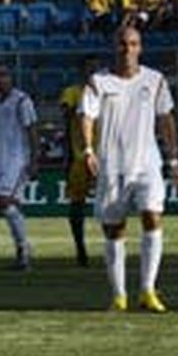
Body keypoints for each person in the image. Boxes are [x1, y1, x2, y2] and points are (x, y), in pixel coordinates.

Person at [79, 25, 178, 312]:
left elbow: (166, 120)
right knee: (115, 230)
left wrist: (174, 160)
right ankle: (119, 295)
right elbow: (86, 116)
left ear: (141, 47)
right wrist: (88, 149)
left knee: (153, 216)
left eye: (133, 44)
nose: (128, 49)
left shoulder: (155, 80)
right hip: (112, 166)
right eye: (123, 44)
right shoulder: (98, 82)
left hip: (147, 164)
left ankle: (148, 290)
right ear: (115, 47)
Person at [0, 66, 39, 269]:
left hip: (19, 159)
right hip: (1, 161)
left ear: (11, 78)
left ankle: (24, 247)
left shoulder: (22, 101)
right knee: (13, 205)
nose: (0, 80)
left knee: (3, 201)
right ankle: (23, 252)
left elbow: (32, 130)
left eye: (4, 75)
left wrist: (35, 159)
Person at [60, 56, 100, 265]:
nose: (92, 72)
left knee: (112, 204)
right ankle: (80, 248)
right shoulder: (72, 93)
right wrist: (67, 155)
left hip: (107, 156)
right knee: (77, 203)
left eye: (95, 68)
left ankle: (113, 246)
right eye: (89, 68)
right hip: (80, 157)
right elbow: (67, 124)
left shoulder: (106, 93)